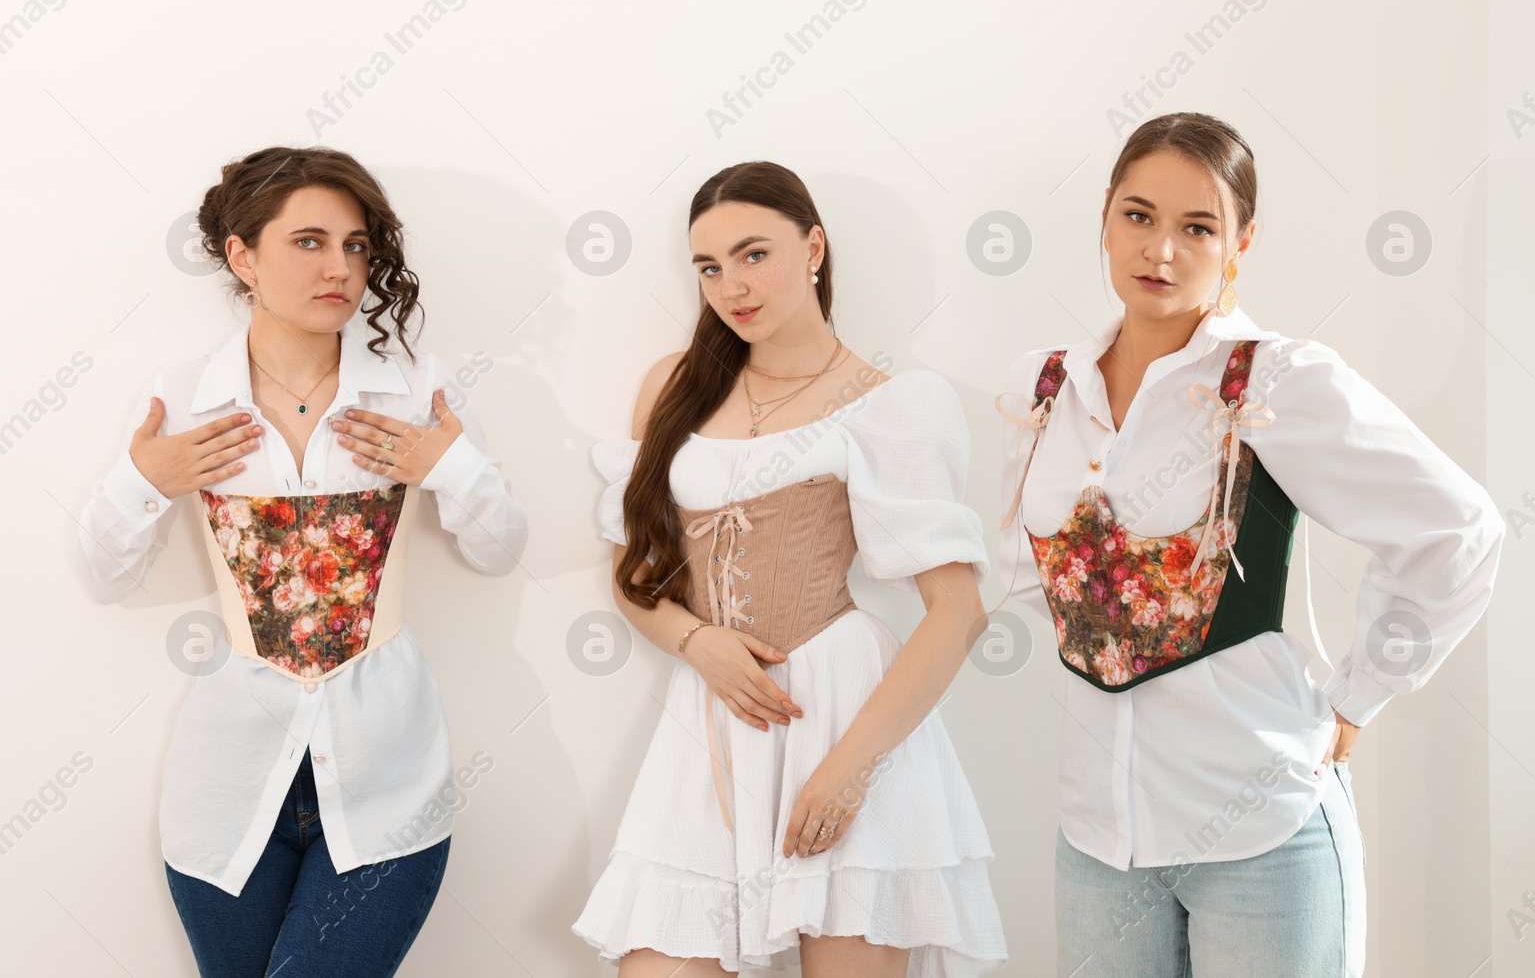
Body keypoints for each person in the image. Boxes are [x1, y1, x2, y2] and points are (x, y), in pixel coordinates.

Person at [996, 112, 1505, 977]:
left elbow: (1457, 525)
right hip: (1097, 841)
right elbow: (1021, 572)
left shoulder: (1274, 381)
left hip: (1263, 832)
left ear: (1241, 242)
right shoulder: (1042, 388)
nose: (1161, 249)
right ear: (1106, 219)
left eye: (1197, 227)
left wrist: (1357, 697)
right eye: (1138, 215)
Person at [77, 146, 529, 978]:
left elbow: (500, 549)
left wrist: (446, 466)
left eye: (356, 245)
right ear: (242, 255)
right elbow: (104, 576)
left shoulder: (411, 387)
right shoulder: (184, 398)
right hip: (227, 791)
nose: (341, 267)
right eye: (310, 242)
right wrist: (147, 480)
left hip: (388, 781)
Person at [572, 161, 1007, 977]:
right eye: (708, 266)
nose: (731, 285)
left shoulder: (890, 401)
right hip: (708, 720)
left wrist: (847, 771)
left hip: (842, 713)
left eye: (753, 254)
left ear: (814, 248)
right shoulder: (673, 389)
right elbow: (635, 570)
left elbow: (958, 612)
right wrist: (697, 641)